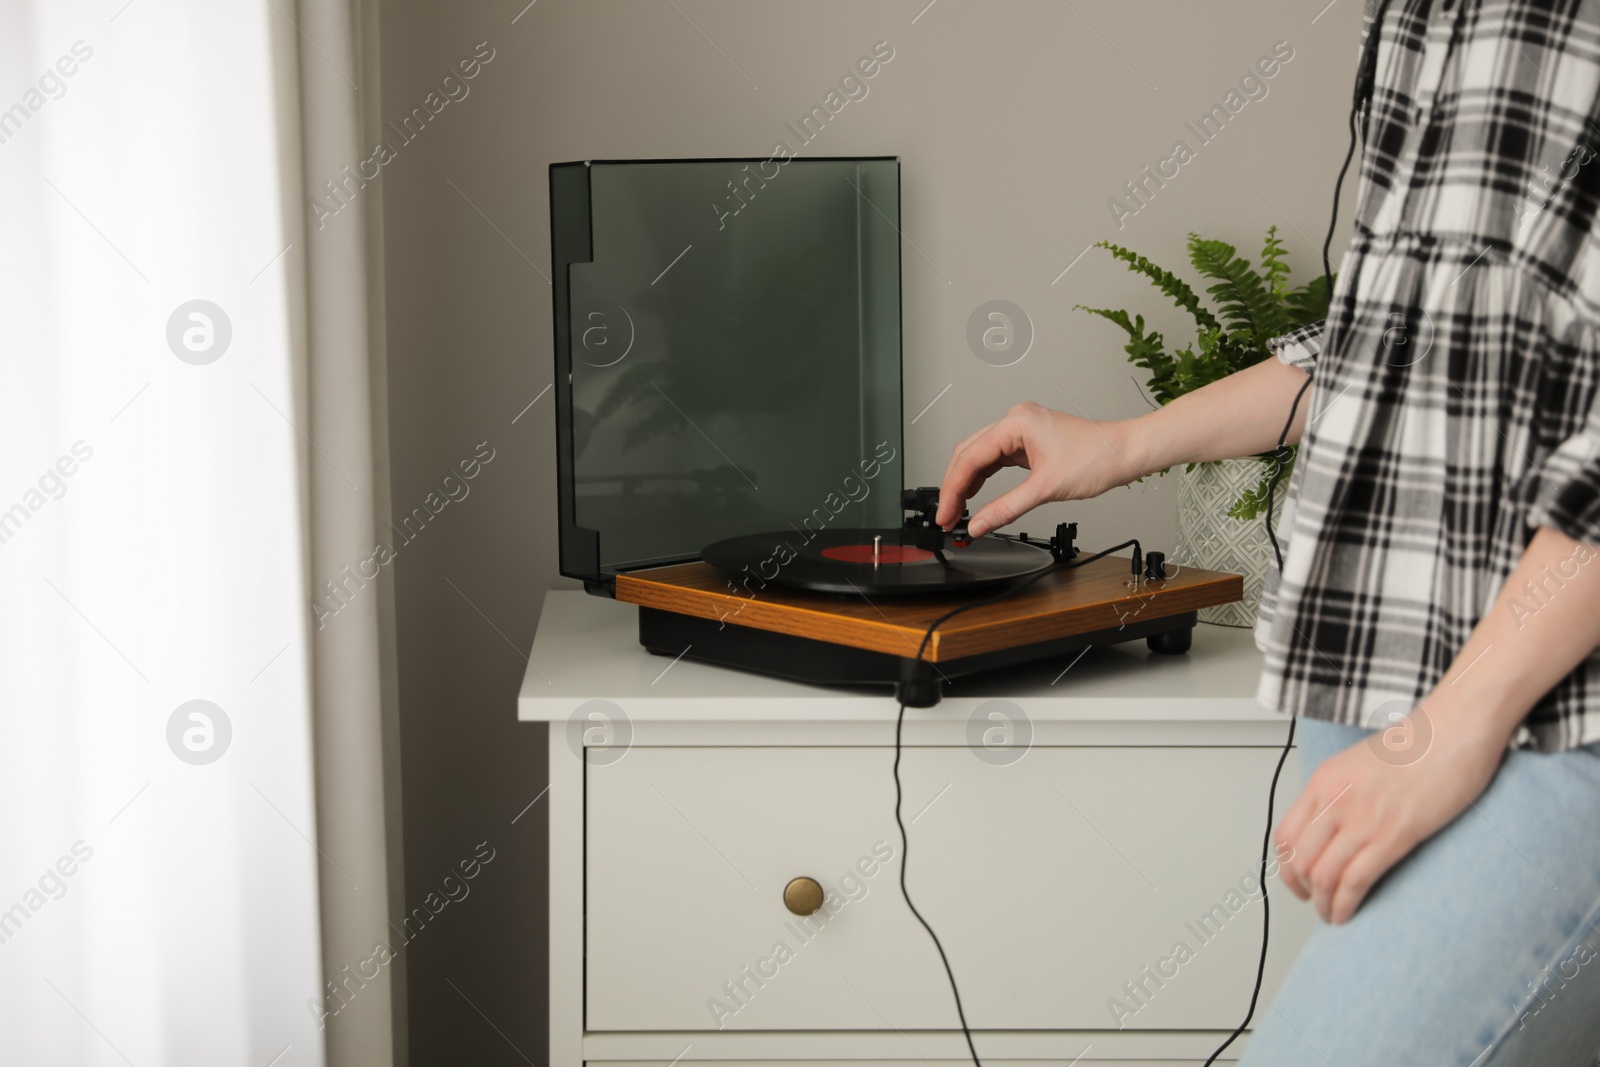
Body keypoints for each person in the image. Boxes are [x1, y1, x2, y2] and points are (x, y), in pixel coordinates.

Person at [935, 1, 1600, 1063]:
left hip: (1545, 716)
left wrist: (1456, 724)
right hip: (1398, 692)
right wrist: (1118, 445)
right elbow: (1383, 345)